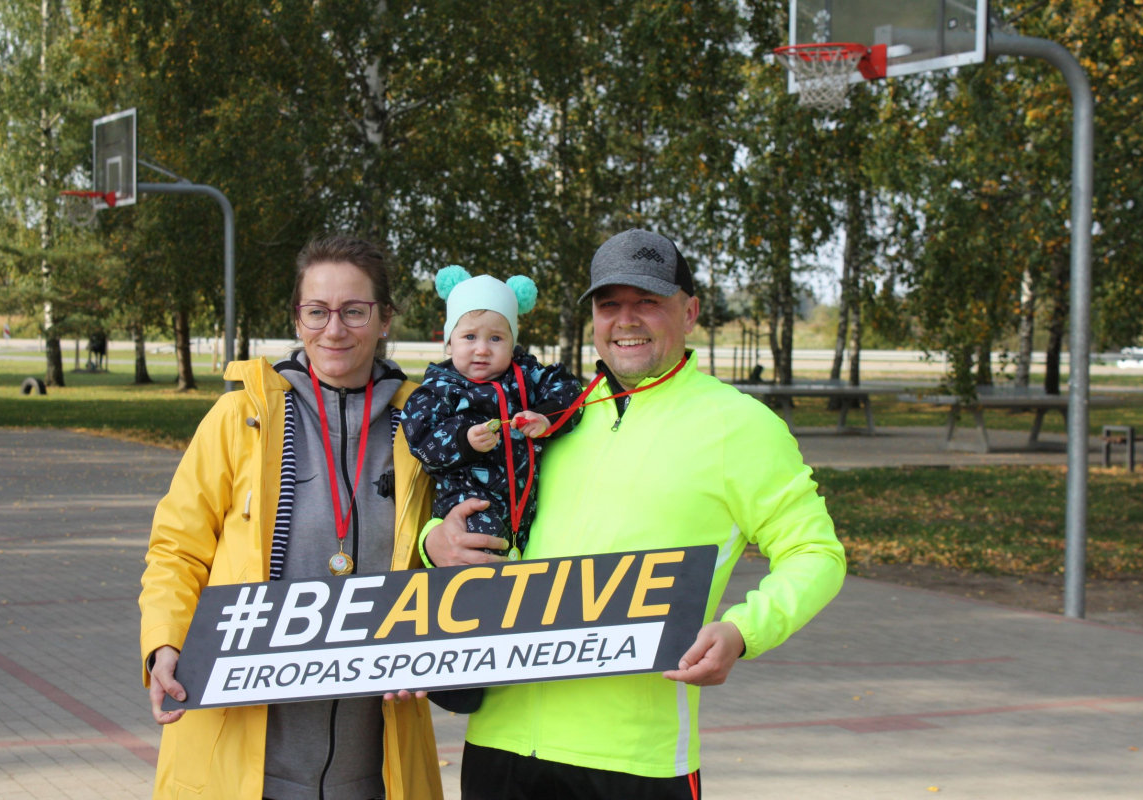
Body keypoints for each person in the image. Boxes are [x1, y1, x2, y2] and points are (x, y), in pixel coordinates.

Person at [423, 229, 846, 799]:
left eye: (648, 301)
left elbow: (815, 553)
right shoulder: (551, 414)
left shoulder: (740, 425)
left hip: (634, 762)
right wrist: (435, 540)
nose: (626, 320)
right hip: (499, 743)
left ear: (690, 311)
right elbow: (462, 500)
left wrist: (744, 631)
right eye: (609, 304)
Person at [139, 236, 444, 800]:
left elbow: (440, 556)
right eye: (317, 311)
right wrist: (165, 642)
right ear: (297, 319)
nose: (335, 329)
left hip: (376, 770)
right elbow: (176, 550)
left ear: (384, 319)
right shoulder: (240, 418)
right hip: (245, 762)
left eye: (355, 311)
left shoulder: (426, 430)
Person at [401, 266, 583, 562]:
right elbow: (421, 440)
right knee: (483, 562)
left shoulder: (527, 376)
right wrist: (464, 441)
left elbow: (571, 392)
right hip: (469, 508)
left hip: (525, 509)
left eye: (496, 339)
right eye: (470, 337)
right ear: (450, 341)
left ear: (513, 342)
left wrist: (546, 417)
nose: (482, 349)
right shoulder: (440, 389)